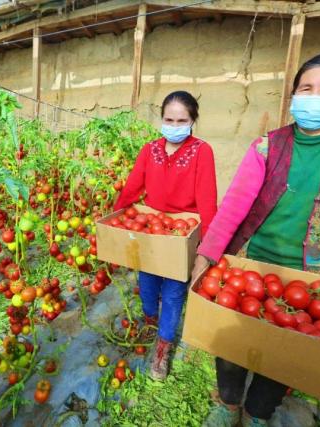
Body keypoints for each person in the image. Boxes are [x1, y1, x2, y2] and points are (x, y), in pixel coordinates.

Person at [193, 50, 320, 427]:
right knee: (232, 344)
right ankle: (228, 402)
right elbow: (234, 205)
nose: (314, 96)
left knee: (286, 353)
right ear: (293, 94)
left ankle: (257, 413)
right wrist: (206, 254)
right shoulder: (266, 146)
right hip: (252, 267)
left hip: (313, 278)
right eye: (306, 88)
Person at [114, 90, 218, 380]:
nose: (174, 126)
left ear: (193, 121)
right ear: (161, 119)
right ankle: (151, 319)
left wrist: (206, 248)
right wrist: (113, 222)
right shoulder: (150, 149)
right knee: (147, 285)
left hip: (181, 234)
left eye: (181, 120)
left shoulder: (201, 151)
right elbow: (133, 186)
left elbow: (207, 200)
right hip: (151, 230)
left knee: (172, 292)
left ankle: (163, 345)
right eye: (169, 119)